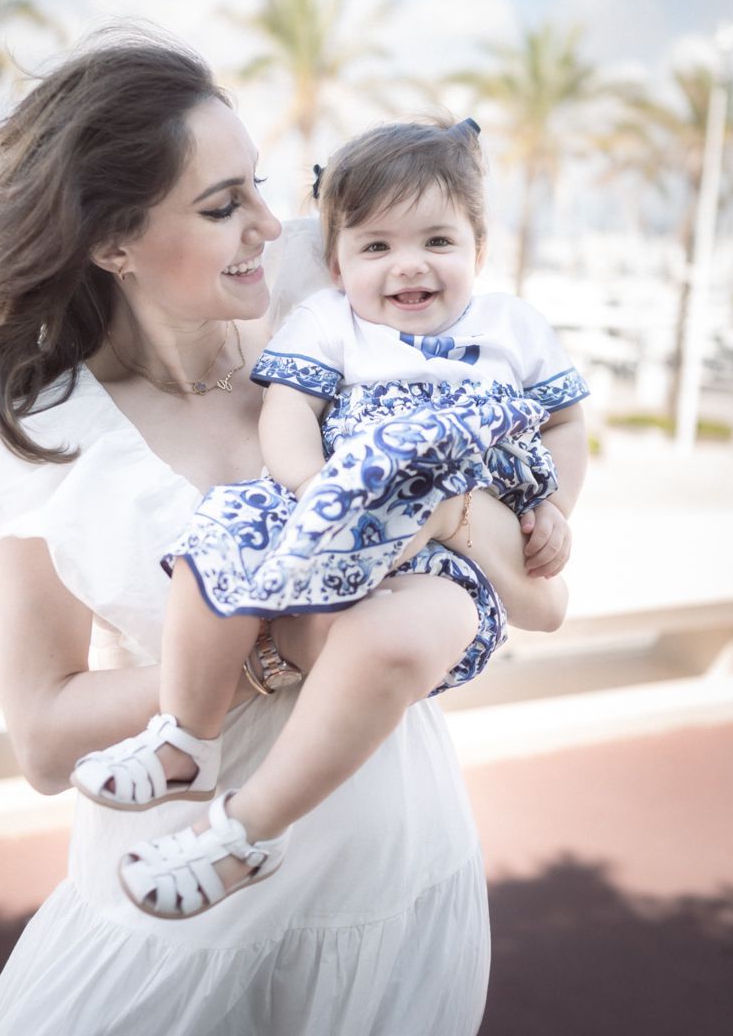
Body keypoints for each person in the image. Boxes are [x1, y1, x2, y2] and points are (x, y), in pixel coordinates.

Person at [0, 28, 569, 1035]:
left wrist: (455, 522)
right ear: (112, 242)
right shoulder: (45, 437)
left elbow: (517, 479)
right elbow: (43, 739)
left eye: (259, 186)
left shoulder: (335, 316)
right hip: (187, 932)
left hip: (399, 880)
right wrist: (270, 643)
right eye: (222, 206)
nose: (271, 223)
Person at [71, 115, 589, 922]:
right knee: (217, 544)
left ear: (477, 249)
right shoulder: (330, 324)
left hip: (441, 568)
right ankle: (186, 737)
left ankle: (246, 830)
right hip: (328, 512)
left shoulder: (514, 329)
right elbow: (289, 411)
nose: (408, 265)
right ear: (337, 261)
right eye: (375, 247)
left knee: (389, 639)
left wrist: (554, 508)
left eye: (438, 242)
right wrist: (312, 490)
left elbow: (563, 428)